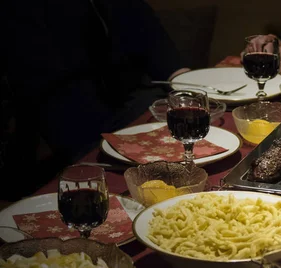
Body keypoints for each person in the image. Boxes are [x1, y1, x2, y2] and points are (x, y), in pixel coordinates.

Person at [0, 0, 190, 201]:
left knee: (183, 151)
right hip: (65, 114)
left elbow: (150, 35)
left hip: (130, 97)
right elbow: (39, 75)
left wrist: (183, 82)